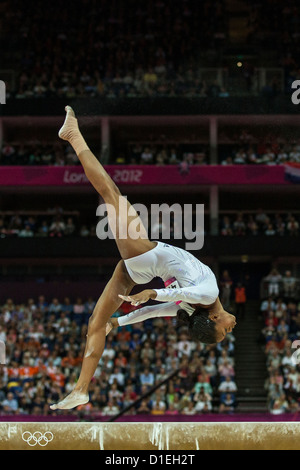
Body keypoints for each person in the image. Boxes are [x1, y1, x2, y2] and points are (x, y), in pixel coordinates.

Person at [50, 106, 236, 410]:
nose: (231, 326)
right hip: (137, 269)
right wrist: (119, 323)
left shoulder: (208, 295)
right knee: (99, 323)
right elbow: (156, 309)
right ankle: (81, 390)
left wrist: (151, 293)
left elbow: (168, 299)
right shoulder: (192, 304)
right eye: (227, 331)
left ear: (214, 318)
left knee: (110, 193)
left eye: (224, 329)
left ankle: (73, 135)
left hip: (147, 257)